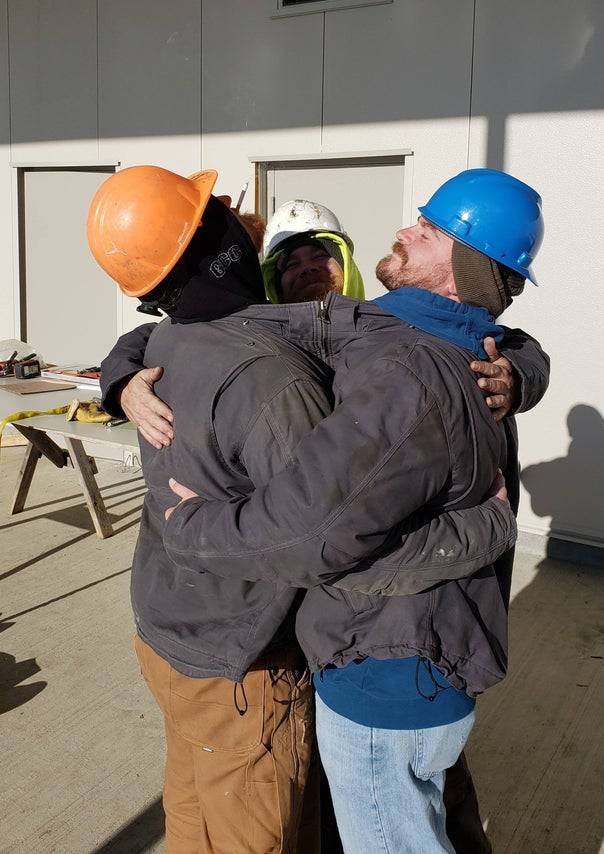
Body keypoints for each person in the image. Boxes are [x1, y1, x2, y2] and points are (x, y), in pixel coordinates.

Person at [91, 165, 523, 854]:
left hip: (280, 642)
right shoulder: (295, 364)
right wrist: (485, 529)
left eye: (322, 253)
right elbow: (319, 538)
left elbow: (322, 534)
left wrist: (523, 369)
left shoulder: (364, 349)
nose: (308, 269)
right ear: (237, 257)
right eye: (287, 259)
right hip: (268, 650)